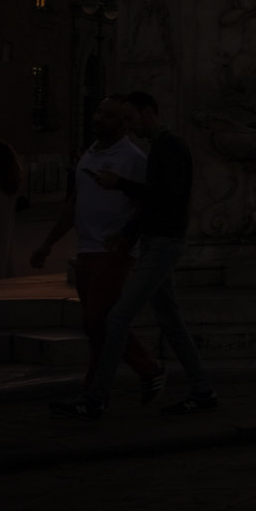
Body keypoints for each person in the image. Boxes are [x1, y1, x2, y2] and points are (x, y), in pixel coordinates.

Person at [55, 90, 218, 418]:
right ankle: (202, 390)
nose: (128, 126)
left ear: (148, 112)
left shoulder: (169, 147)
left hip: (163, 244)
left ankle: (96, 398)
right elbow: (156, 201)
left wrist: (120, 185)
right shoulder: (160, 147)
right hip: (156, 242)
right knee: (171, 322)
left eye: (130, 118)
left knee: (115, 319)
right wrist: (128, 235)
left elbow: (167, 197)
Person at [31, 99, 162, 406]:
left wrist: (128, 239)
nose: (99, 119)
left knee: (98, 319)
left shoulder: (133, 158)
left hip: (113, 250)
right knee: (96, 324)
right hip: (87, 250)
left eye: (108, 115)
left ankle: (107, 386)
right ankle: (143, 371)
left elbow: (147, 203)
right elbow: (74, 203)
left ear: (124, 123)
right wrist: (48, 242)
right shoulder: (90, 153)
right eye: (98, 113)